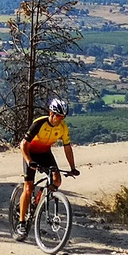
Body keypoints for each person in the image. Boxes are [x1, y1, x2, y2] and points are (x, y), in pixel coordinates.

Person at [15, 98, 79, 240]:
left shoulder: (63, 127)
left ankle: (42, 198)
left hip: (45, 153)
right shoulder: (39, 123)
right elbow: (23, 144)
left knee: (57, 181)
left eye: (63, 117)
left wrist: (72, 167)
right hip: (31, 153)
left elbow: (67, 147)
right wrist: (29, 161)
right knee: (28, 188)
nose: (60, 119)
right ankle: (21, 223)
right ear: (51, 113)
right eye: (58, 116)